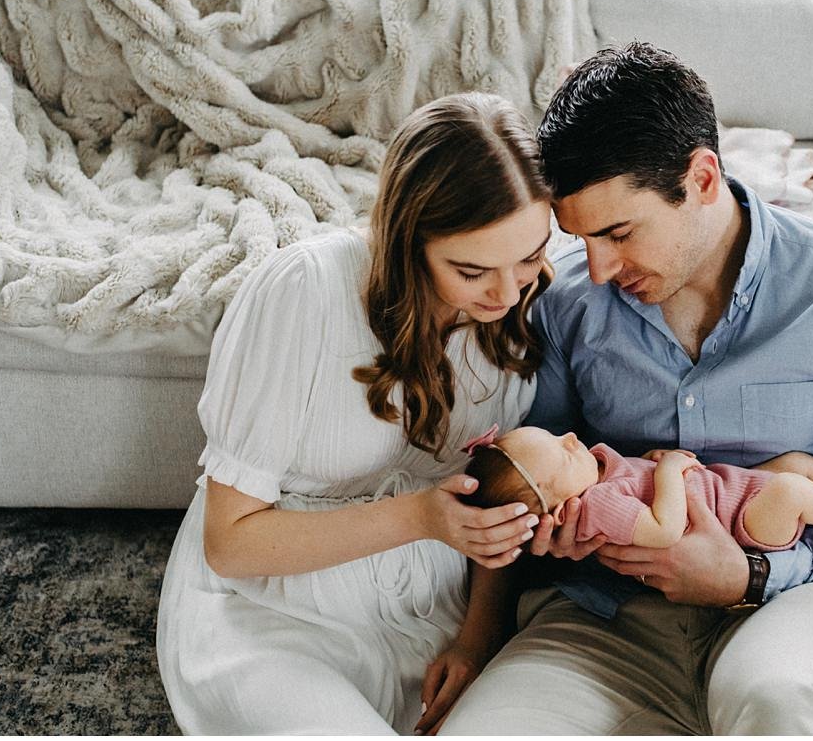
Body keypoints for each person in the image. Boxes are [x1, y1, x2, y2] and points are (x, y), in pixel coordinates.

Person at [440, 43, 813, 735]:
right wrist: (487, 622)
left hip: (786, 594)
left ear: (701, 176)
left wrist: (748, 575)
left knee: (780, 708)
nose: (597, 268)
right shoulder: (569, 302)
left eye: (619, 232)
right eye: (582, 239)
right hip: (604, 611)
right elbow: (531, 475)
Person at [156, 92, 556, 735]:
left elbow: (497, 506)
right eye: (472, 269)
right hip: (274, 608)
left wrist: (478, 640)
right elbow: (230, 544)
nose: (508, 293)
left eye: (530, 257)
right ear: (408, 241)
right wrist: (421, 516)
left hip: (433, 609)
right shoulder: (303, 292)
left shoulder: (521, 306)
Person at [461, 424, 813, 549]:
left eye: (556, 435)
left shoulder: (599, 471)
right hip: (739, 526)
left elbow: (638, 480)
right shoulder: (598, 507)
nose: (569, 437)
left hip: (734, 488)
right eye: (562, 453)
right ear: (560, 511)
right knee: (789, 491)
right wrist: (666, 474)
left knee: (795, 465)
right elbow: (664, 530)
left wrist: (655, 461)